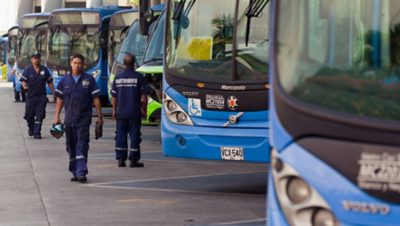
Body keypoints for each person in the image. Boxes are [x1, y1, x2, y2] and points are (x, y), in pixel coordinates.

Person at [54, 54, 103, 183]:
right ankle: (75, 171)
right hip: (69, 120)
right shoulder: (64, 80)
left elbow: (96, 99)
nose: (77, 65)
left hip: (83, 120)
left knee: (82, 145)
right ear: (71, 64)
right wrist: (56, 116)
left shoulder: (89, 79)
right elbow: (60, 99)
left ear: (83, 65)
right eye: (75, 63)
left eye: (80, 63)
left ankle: (81, 172)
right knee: (70, 146)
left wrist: (99, 116)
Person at [111, 53, 147, 168]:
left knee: (120, 135)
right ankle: (133, 160)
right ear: (134, 63)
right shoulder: (139, 77)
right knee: (135, 135)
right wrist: (143, 109)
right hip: (134, 112)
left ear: (124, 63)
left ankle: (121, 159)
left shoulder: (118, 77)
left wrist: (113, 110)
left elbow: (114, 97)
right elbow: (144, 97)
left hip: (121, 112)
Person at [20, 52, 55, 139]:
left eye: (38, 58)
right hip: (31, 96)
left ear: (40, 59)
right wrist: (24, 85)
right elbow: (23, 80)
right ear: (32, 59)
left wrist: (54, 94)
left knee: (40, 114)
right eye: (34, 58)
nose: (36, 59)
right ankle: (31, 128)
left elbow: (50, 82)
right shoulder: (28, 70)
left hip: (41, 96)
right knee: (29, 115)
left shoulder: (44, 70)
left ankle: (37, 132)